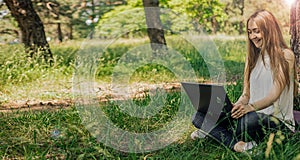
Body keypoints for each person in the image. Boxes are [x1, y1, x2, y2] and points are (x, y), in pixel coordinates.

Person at [191, 9, 298, 152]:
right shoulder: (251, 57)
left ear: (269, 30)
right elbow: (246, 94)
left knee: (249, 121)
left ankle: (215, 133)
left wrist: (250, 108)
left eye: (256, 31)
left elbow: (274, 95)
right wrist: (236, 106)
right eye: (249, 32)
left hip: (275, 121)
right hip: (250, 113)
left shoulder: (286, 55)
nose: (253, 36)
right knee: (198, 116)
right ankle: (239, 145)